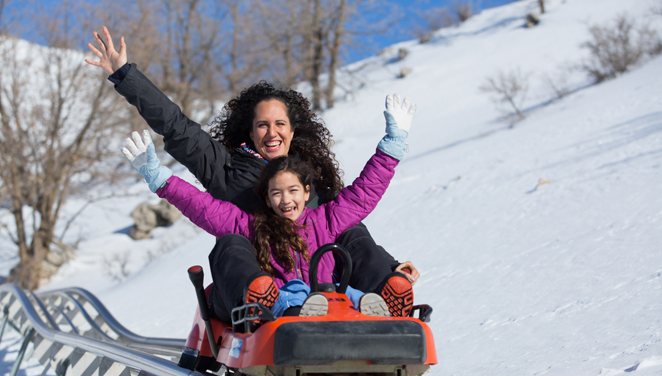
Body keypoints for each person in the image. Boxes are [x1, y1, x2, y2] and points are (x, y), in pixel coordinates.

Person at [86, 26, 419, 320]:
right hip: (255, 286)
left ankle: (388, 289)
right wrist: (125, 75)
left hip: (324, 286)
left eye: (279, 124)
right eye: (262, 125)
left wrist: (390, 267)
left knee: (351, 229)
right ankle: (263, 298)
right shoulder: (226, 168)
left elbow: (361, 198)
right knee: (231, 242)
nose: (271, 133)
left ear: (293, 130)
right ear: (250, 130)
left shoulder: (311, 177)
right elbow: (178, 129)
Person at [121, 94, 416, 318]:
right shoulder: (251, 224)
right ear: (267, 197)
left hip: (331, 296)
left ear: (306, 192)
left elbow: (364, 192)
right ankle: (280, 308)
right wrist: (157, 176)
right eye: (277, 193)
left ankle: (377, 304)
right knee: (291, 293)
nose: (286, 200)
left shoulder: (327, 218)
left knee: (348, 291)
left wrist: (393, 142)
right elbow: (201, 206)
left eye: (292, 192)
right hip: (285, 297)